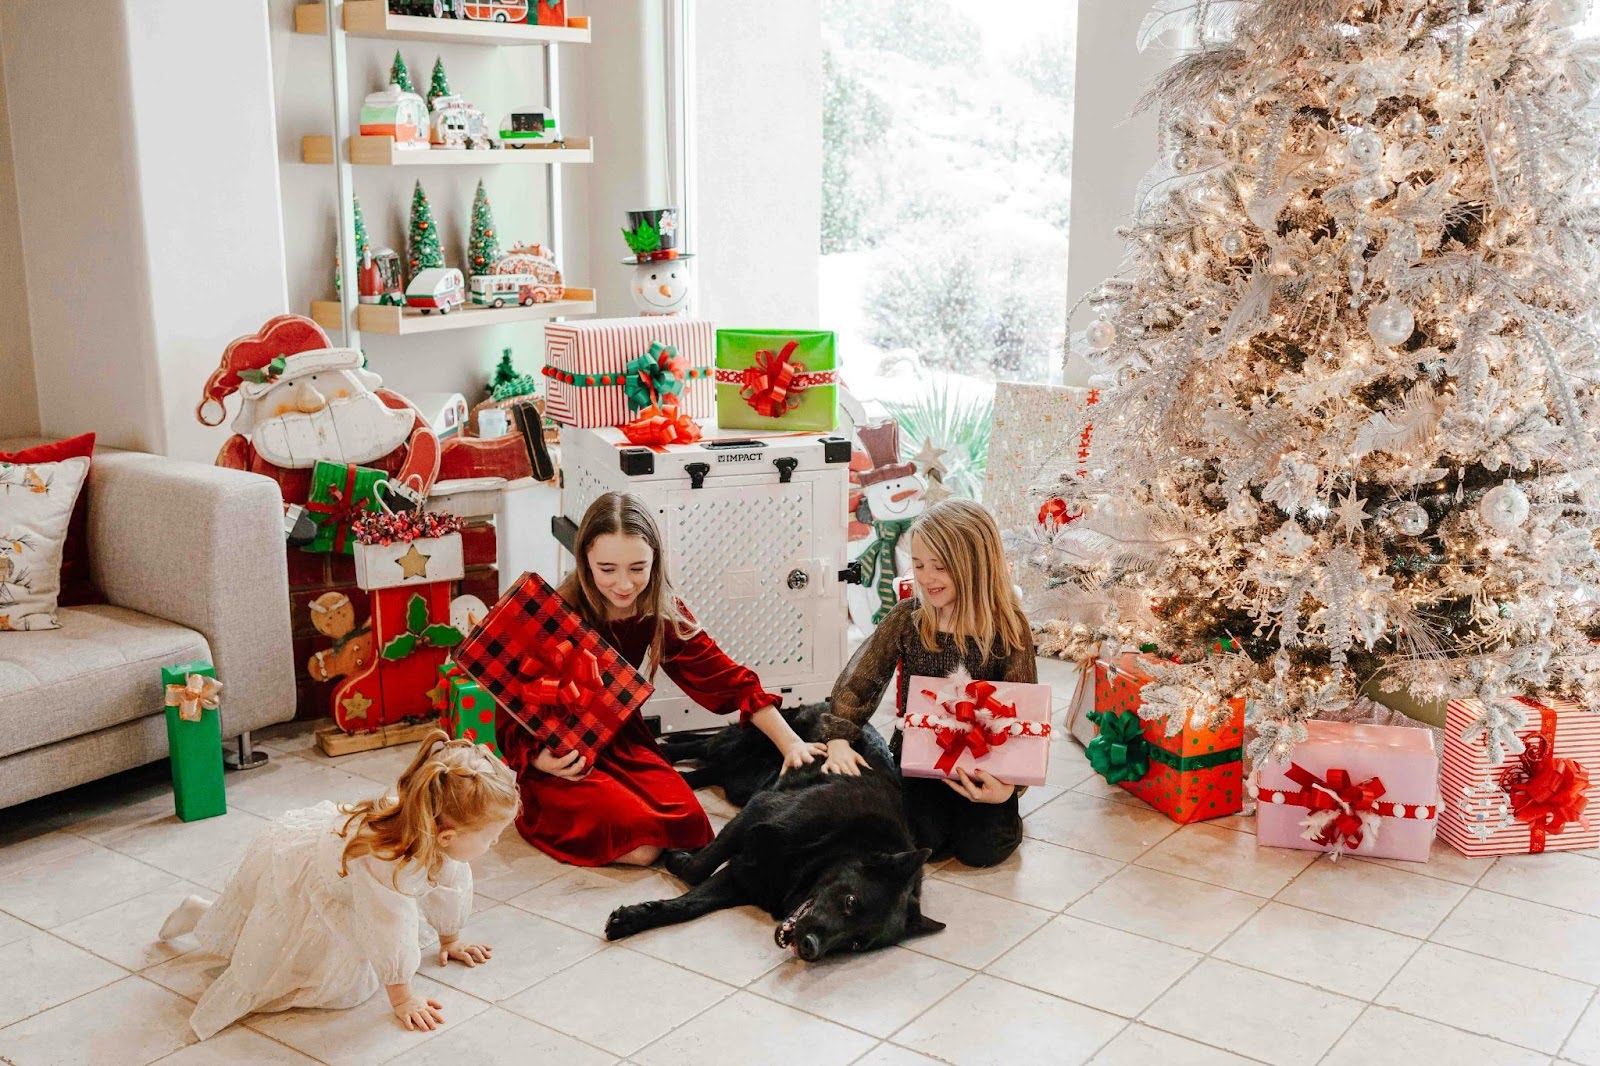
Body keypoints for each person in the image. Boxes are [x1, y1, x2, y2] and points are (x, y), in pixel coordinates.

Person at [499, 491, 822, 867]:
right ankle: (541, 802)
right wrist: (538, 761)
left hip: (622, 737)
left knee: (688, 823)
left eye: (638, 568)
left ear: (655, 559)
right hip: (562, 752)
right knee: (641, 845)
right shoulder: (553, 613)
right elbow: (510, 706)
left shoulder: (658, 609)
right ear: (584, 559)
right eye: (607, 569)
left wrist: (792, 744)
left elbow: (724, 676)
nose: (624, 584)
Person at [157, 734, 518, 1039]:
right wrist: (403, 997)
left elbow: (449, 883)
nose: (496, 844)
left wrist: (450, 939)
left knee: (316, 959)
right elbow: (388, 926)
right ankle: (200, 913)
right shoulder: (390, 861)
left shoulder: (436, 832)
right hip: (311, 874)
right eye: (493, 837)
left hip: (345, 868)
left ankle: (204, 913)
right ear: (448, 836)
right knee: (310, 977)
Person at [821, 498, 1035, 868]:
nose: (926, 577)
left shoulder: (1009, 627)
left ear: (976, 568)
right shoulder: (908, 618)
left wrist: (1009, 789)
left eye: (939, 567)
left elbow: (1025, 715)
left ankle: (997, 815)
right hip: (920, 758)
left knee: (982, 851)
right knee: (920, 843)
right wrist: (839, 736)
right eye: (918, 565)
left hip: (985, 763)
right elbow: (861, 679)